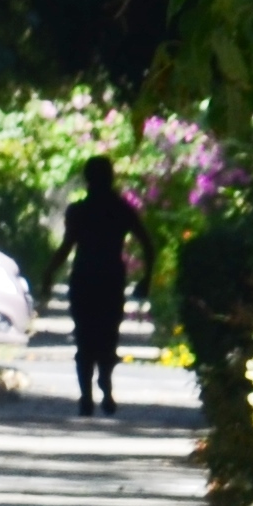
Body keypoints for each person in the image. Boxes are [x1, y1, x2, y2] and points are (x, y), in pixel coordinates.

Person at [60, 155, 146, 414]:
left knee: (85, 337)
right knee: (107, 336)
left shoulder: (79, 211)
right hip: (110, 279)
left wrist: (49, 273)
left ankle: (87, 395)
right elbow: (148, 245)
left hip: (85, 278)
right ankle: (104, 388)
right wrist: (147, 279)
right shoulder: (121, 209)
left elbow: (67, 246)